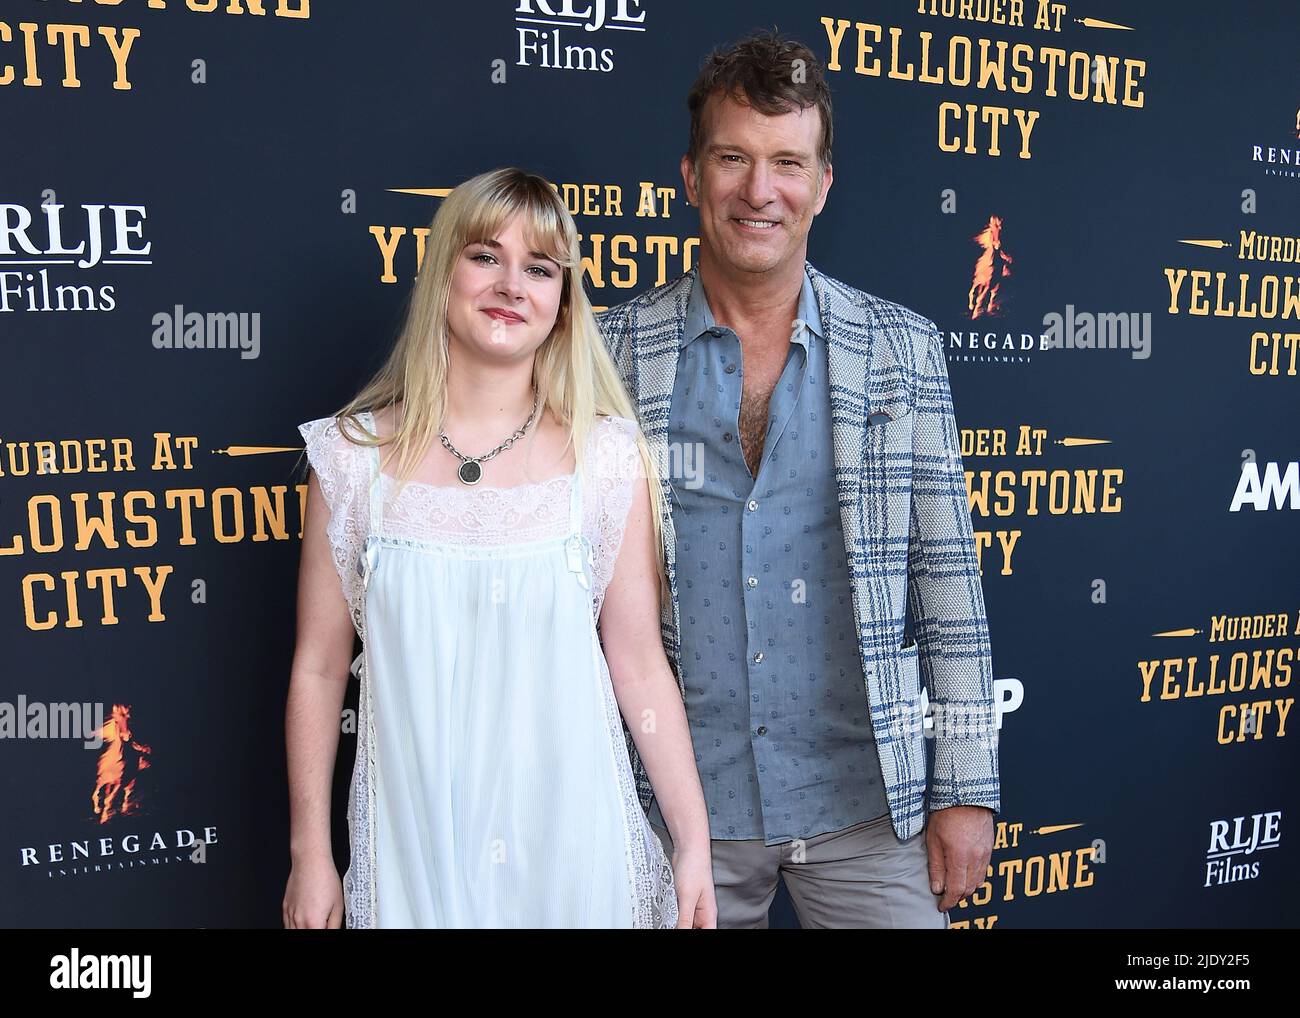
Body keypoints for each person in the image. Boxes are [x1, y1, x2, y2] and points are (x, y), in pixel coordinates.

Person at [595, 30, 1000, 928]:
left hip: (866, 811)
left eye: (787, 162)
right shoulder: (604, 355)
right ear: (691, 175)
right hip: (674, 812)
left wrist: (967, 784)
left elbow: (949, 585)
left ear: (822, 183)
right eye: (733, 158)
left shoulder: (900, 350)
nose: (759, 190)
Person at [283, 167, 716, 929]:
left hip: (576, 859)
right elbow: (320, 669)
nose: (512, 284)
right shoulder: (350, 461)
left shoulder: (608, 459)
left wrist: (692, 842)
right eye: (486, 255)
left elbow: (640, 663)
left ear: (562, 303)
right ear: (443, 271)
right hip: (417, 855)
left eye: (541, 268)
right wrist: (310, 854)